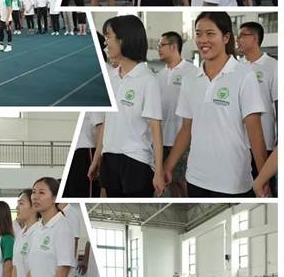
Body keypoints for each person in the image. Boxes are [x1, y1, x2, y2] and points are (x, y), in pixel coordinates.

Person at [164, 12, 268, 198]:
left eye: (210, 34)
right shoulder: (190, 79)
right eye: (198, 34)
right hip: (196, 178)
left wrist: (264, 179)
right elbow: (186, 129)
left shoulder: (244, 76)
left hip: (233, 181)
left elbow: (255, 132)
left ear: (226, 37)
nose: (203, 40)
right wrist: (167, 166)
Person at [89, 15, 164, 198]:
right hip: (109, 158)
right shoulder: (110, 78)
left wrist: (159, 170)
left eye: (109, 36)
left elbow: (155, 127)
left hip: (136, 161)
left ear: (123, 40)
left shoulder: (148, 80)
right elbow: (106, 123)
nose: (105, 42)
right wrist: (97, 158)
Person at [20, 178, 78, 277]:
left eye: (41, 193)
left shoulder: (62, 225)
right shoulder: (38, 228)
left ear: (54, 198)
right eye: (33, 192)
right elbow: (33, 269)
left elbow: (64, 268)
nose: (35, 197)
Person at [237, 21, 278, 195]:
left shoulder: (273, 66)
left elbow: (279, 103)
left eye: (242, 36)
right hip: (239, 144)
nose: (238, 39)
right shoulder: (237, 67)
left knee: (263, 189)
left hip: (264, 143)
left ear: (254, 38)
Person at [157, 31, 198, 197]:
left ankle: (189, 205)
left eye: (162, 45)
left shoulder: (192, 72)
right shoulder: (158, 76)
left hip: (183, 139)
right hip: (162, 139)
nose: (158, 48)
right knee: (170, 181)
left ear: (173, 47)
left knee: (183, 182)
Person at [63, 113, 104, 198]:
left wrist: (96, 162)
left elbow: (101, 131)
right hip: (76, 155)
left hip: (87, 153)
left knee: (84, 195)